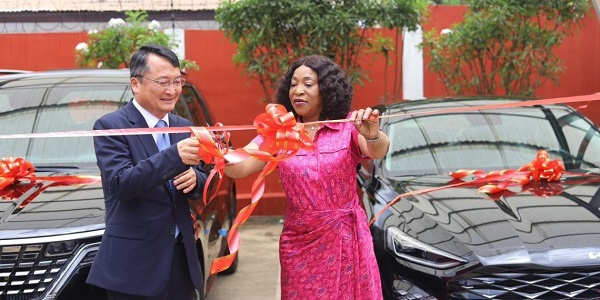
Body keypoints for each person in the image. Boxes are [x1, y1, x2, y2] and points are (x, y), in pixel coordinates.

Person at [225, 55, 390, 299]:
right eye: (293, 84)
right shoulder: (279, 132)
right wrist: (216, 152)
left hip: (346, 237)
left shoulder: (347, 126)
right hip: (299, 241)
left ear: (326, 89)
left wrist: (374, 134)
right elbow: (240, 167)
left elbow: (377, 150)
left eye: (307, 84)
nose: (298, 91)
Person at [87, 44, 207, 299]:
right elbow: (121, 184)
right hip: (133, 267)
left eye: (177, 82)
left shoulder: (182, 125)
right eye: (163, 82)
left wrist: (195, 178)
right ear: (136, 83)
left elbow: (201, 180)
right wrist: (174, 157)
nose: (172, 90)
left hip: (179, 259)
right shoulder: (111, 126)